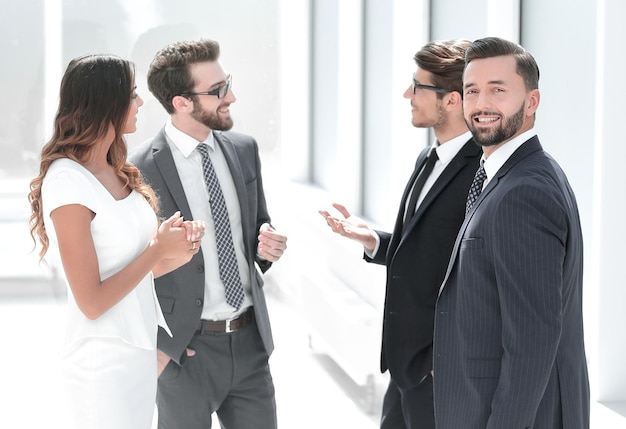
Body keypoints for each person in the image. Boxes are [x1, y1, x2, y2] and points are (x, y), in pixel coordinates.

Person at [28, 54, 206, 429]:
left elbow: (141, 271)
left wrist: (178, 249)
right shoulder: (66, 182)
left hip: (138, 355)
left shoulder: (116, 170)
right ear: (105, 101)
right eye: (133, 95)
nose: (140, 103)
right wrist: (156, 249)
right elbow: (91, 302)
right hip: (101, 364)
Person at [319, 40, 481, 429]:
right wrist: (371, 239)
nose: (407, 94)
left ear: (452, 100)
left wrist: (442, 365)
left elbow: (474, 275)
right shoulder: (428, 158)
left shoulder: (482, 173)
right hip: (404, 367)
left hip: (438, 373)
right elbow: (428, 251)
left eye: (417, 86)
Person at [129, 39, 288, 429]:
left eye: (227, 82)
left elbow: (255, 235)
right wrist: (161, 350)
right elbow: (132, 269)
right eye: (218, 90)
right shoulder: (139, 172)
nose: (230, 96)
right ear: (181, 102)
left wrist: (267, 247)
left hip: (250, 345)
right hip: (186, 354)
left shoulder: (244, 149)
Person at [432, 36, 590, 429]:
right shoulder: (517, 173)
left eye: (497, 90)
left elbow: (532, 343)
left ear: (532, 102)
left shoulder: (524, 193)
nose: (482, 104)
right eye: (472, 91)